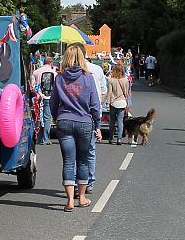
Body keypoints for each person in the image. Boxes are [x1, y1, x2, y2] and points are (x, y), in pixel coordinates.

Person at [49, 44, 102, 211]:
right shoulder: (88, 77)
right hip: (84, 122)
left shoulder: (60, 78)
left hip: (64, 121)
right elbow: (95, 104)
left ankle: (70, 200)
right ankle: (83, 197)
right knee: (83, 161)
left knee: (68, 162)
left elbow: (53, 102)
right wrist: (98, 125)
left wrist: (57, 118)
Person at [84, 52, 108, 192]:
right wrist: (99, 106)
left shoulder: (67, 70)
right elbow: (104, 92)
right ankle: (90, 182)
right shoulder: (97, 70)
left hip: (73, 115)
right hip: (93, 115)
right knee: (90, 151)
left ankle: (76, 183)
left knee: (75, 153)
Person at [31, 57, 56, 145]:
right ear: (51, 63)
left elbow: (32, 85)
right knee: (47, 118)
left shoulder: (36, 72)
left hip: (38, 98)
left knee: (38, 117)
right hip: (49, 97)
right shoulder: (54, 73)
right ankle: (46, 139)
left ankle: (38, 138)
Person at [106, 64, 131, 145]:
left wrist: (108, 103)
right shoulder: (126, 80)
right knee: (120, 121)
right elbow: (127, 94)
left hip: (113, 103)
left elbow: (109, 93)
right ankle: (119, 139)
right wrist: (127, 103)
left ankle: (111, 138)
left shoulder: (111, 80)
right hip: (122, 102)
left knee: (112, 121)